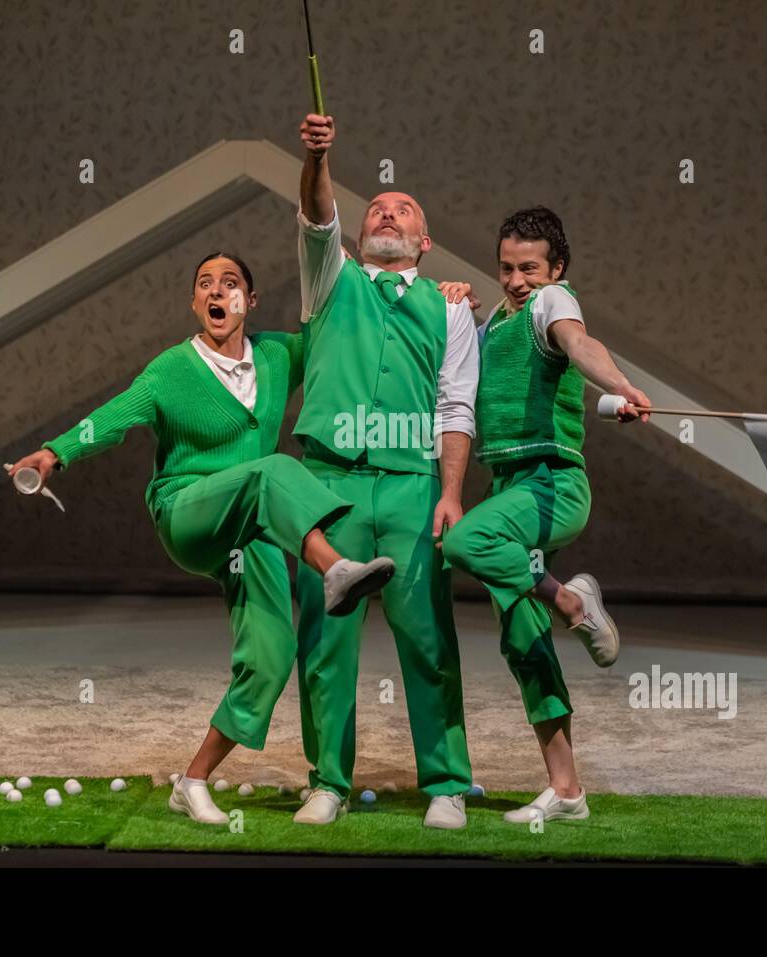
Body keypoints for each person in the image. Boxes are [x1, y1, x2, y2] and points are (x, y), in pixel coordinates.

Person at [7, 252, 394, 825]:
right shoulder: (171, 369)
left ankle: (192, 780)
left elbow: (338, 321)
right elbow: (111, 417)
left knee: (271, 654)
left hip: (254, 524)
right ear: (195, 303)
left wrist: (439, 296)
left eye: (231, 283)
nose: (218, 292)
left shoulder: (278, 354)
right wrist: (55, 452)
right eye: (205, 285)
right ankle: (334, 568)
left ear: (250, 301)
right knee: (274, 468)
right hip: (187, 512)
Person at [291, 112, 481, 828]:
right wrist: (319, 157)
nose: (387, 213)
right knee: (326, 640)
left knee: (428, 636)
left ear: (425, 242)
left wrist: (453, 494)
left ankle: (447, 783)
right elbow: (315, 214)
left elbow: (456, 405)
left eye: (403, 210)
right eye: (376, 208)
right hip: (331, 483)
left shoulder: (450, 309)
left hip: (411, 485)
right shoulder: (329, 278)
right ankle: (327, 780)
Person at [442, 206, 651, 825]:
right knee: (521, 639)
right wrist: (455, 303)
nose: (515, 280)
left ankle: (571, 603)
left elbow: (580, 342)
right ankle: (567, 792)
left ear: (555, 268)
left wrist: (622, 384)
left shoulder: (551, 303)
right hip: (512, 488)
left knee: (465, 541)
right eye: (505, 268)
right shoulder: (501, 322)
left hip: (551, 487)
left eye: (528, 267)